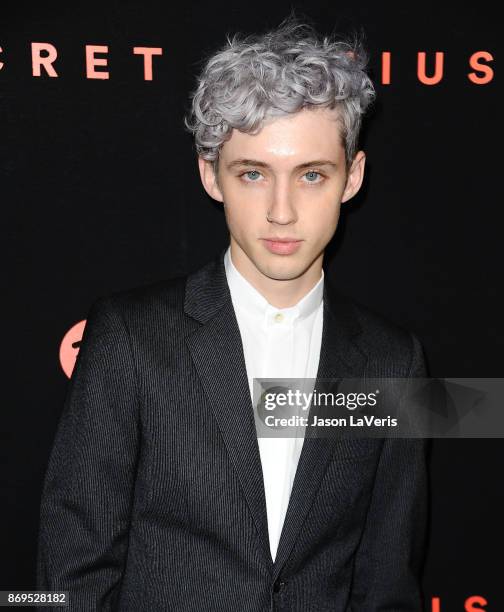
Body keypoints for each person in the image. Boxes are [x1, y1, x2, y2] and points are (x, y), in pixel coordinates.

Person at [36, 14, 430, 611]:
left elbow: (387, 580)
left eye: (312, 176)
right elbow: (71, 573)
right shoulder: (130, 336)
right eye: (252, 174)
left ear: (352, 178)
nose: (281, 212)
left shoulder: (392, 360)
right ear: (210, 175)